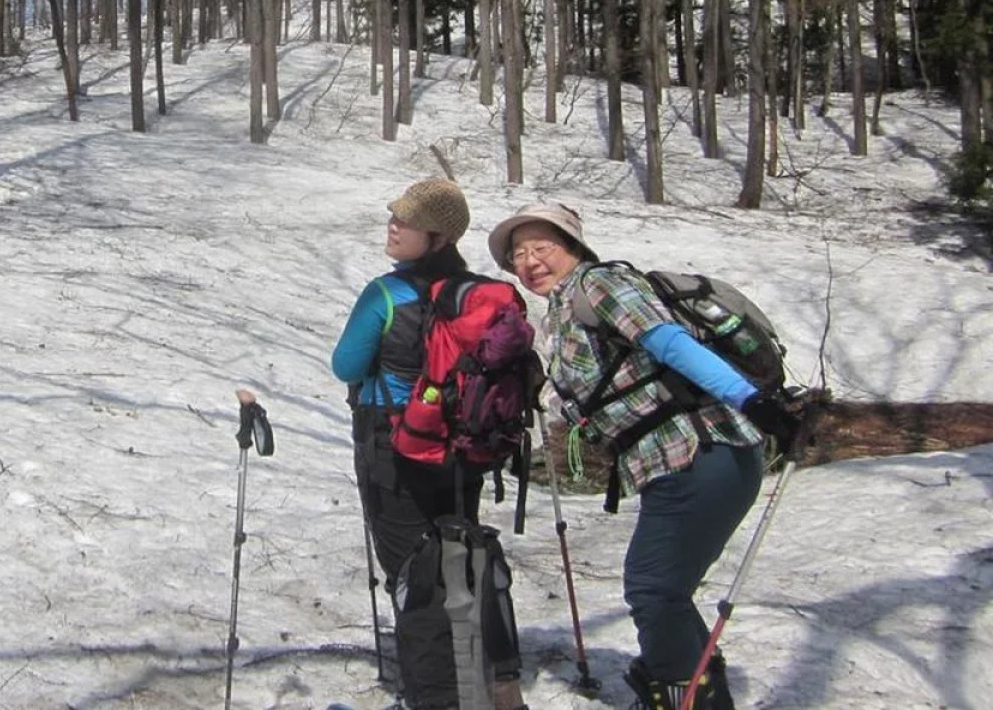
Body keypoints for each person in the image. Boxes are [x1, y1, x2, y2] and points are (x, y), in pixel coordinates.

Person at [486, 201, 807, 710]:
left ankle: (686, 696)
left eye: (541, 247)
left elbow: (669, 344)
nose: (529, 262)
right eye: (518, 254)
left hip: (701, 450)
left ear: (572, 246)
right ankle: (685, 685)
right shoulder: (566, 312)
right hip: (680, 460)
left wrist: (753, 401)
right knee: (663, 589)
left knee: (655, 587)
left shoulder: (600, 285)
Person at [332, 178, 525, 710]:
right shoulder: (476, 297)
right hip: (463, 454)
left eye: (407, 222)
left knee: (414, 577)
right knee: (460, 565)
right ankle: (485, 687)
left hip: (394, 448)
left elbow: (345, 366)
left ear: (438, 236)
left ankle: (434, 699)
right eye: (393, 216)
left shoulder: (386, 293)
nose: (393, 226)